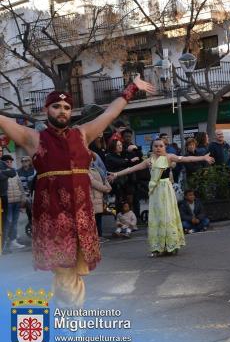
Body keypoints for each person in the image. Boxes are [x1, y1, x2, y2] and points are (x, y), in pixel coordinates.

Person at [0, 76, 155, 307]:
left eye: (66, 107)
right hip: (53, 219)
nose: (62, 111)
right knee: (65, 274)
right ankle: (73, 326)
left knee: (71, 274)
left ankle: (66, 318)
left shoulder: (82, 134)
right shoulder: (34, 138)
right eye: (56, 106)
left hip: (82, 219)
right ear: (46, 110)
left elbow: (109, 114)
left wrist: (132, 88)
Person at [109, 138, 214, 256]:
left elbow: (187, 159)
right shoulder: (149, 161)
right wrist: (116, 174)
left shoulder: (169, 157)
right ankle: (158, 246)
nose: (158, 148)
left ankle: (172, 244)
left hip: (166, 191)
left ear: (165, 147)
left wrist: (203, 157)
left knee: (168, 217)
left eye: (161, 146)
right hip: (155, 192)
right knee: (157, 218)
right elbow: (132, 169)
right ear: (152, 148)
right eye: (156, 146)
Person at [4, 155, 25, 251]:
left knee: (15, 222)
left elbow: (20, 185)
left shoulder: (15, 172)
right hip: (7, 202)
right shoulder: (3, 173)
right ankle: (5, 243)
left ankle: (13, 241)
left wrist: (23, 197)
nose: (9, 163)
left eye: (10, 161)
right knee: (8, 222)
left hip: (16, 201)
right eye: (7, 162)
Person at [89, 153, 111, 242]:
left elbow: (104, 179)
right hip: (93, 197)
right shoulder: (85, 171)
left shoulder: (97, 169)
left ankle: (100, 235)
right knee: (94, 218)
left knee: (99, 217)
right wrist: (105, 188)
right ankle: (96, 236)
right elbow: (92, 182)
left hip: (99, 197)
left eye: (91, 158)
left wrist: (107, 187)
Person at [0, 152, 16, 252]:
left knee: (5, 221)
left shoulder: (2, 163)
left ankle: (3, 246)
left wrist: (2, 173)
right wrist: (5, 173)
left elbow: (13, 172)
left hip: (3, 196)